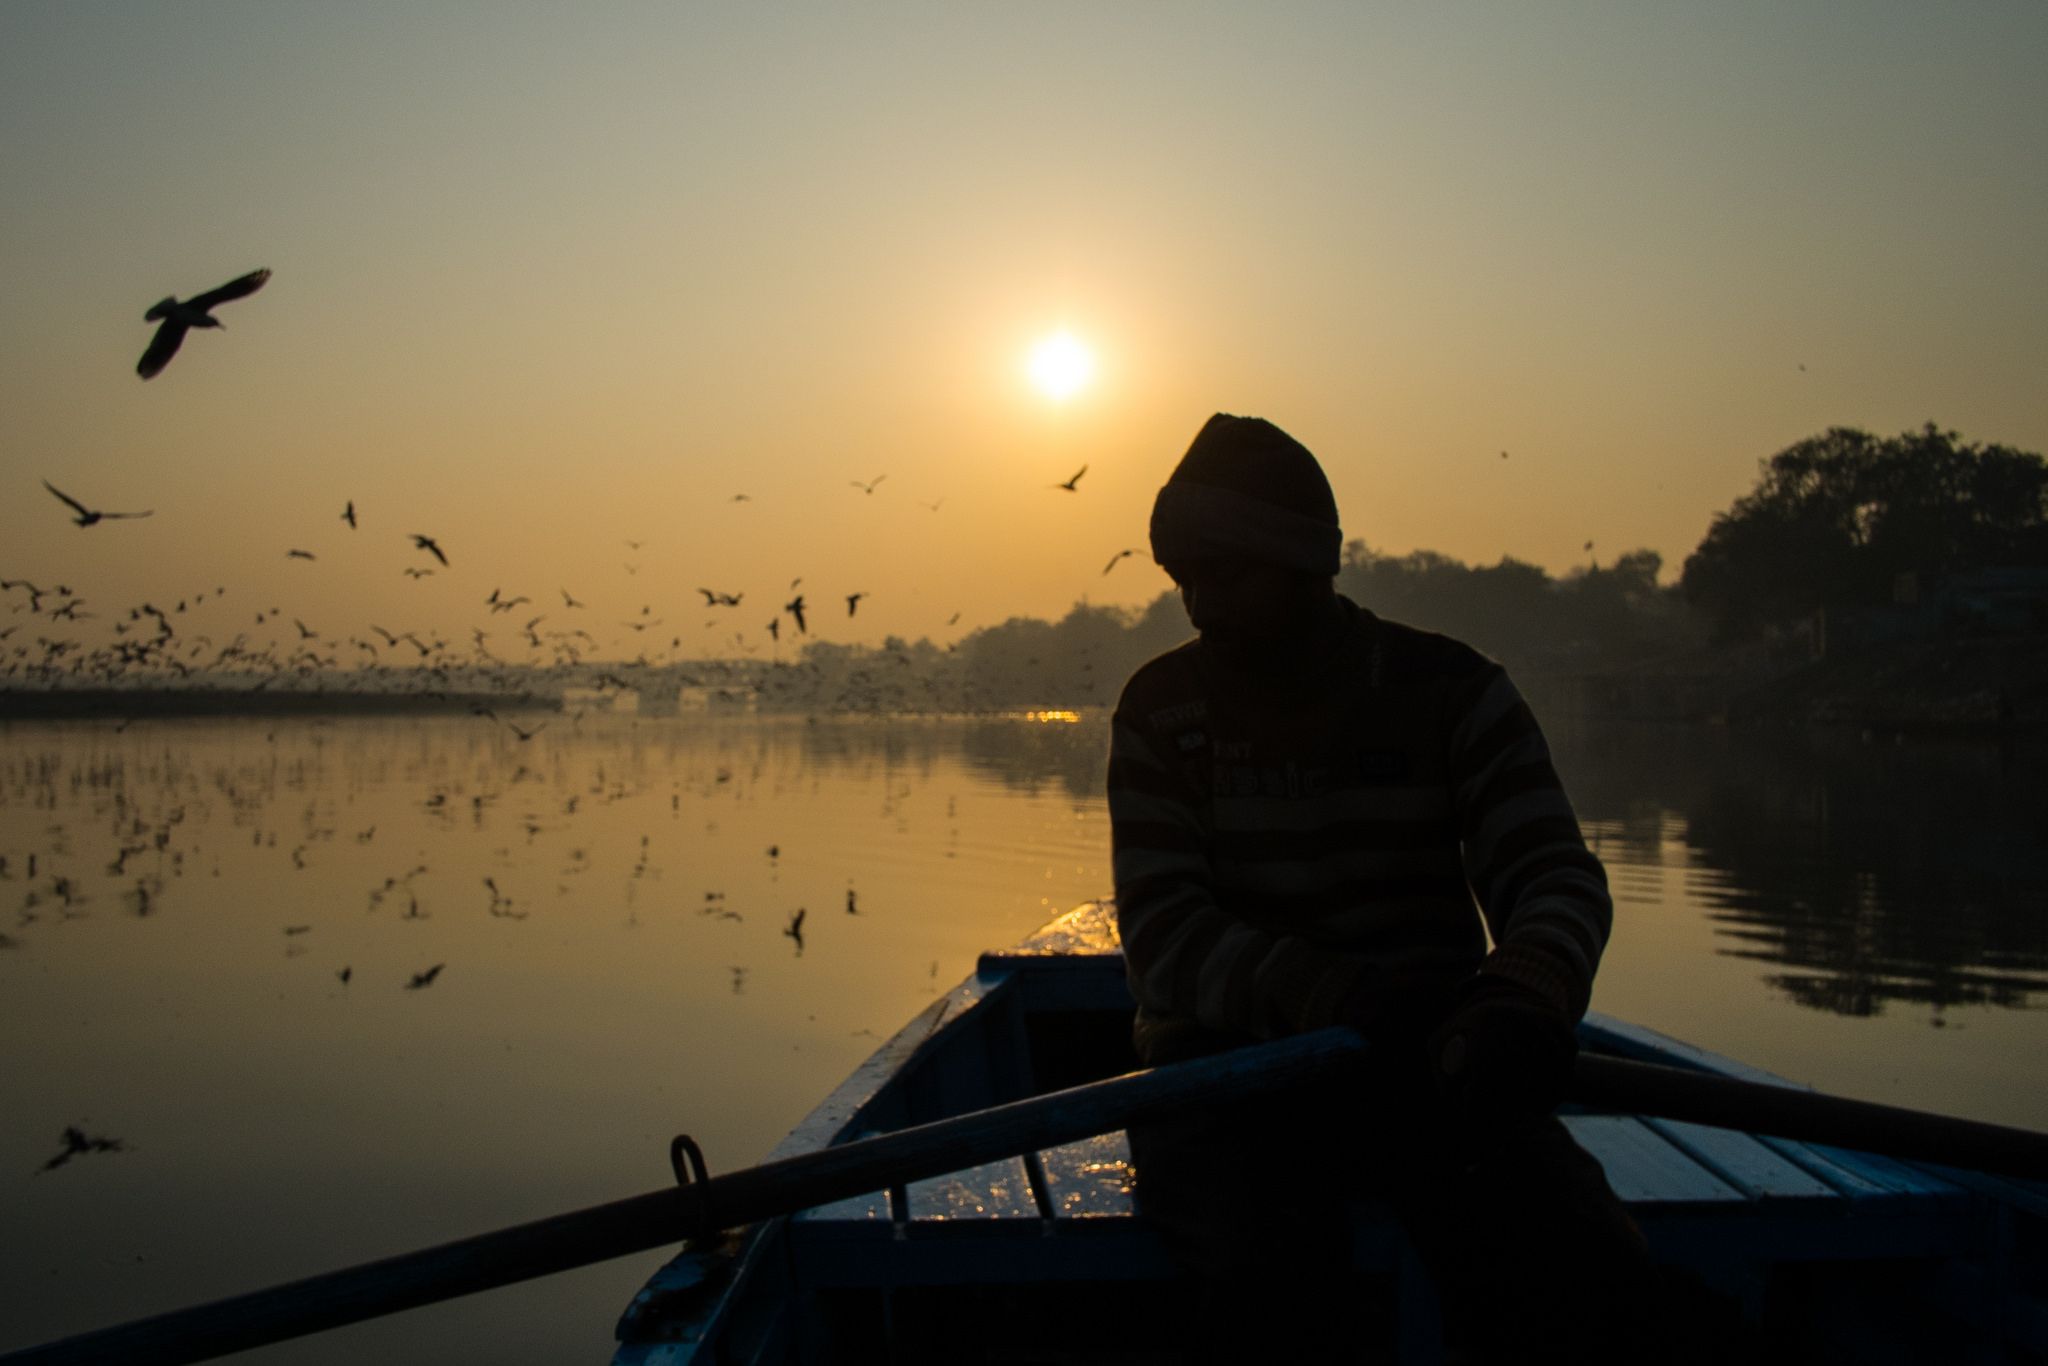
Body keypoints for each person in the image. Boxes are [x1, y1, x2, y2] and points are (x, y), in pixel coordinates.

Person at [1108, 414, 1694, 1364]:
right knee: (1274, 1301)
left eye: (1228, 577)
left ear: (1306, 566)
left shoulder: (1452, 691)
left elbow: (1553, 873)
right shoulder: (1161, 710)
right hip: (1229, 1085)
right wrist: (1333, 997)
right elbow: (1167, 936)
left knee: (1594, 1279)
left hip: (1435, 1065)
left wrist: (1525, 993)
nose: (1201, 608)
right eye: (1186, 583)